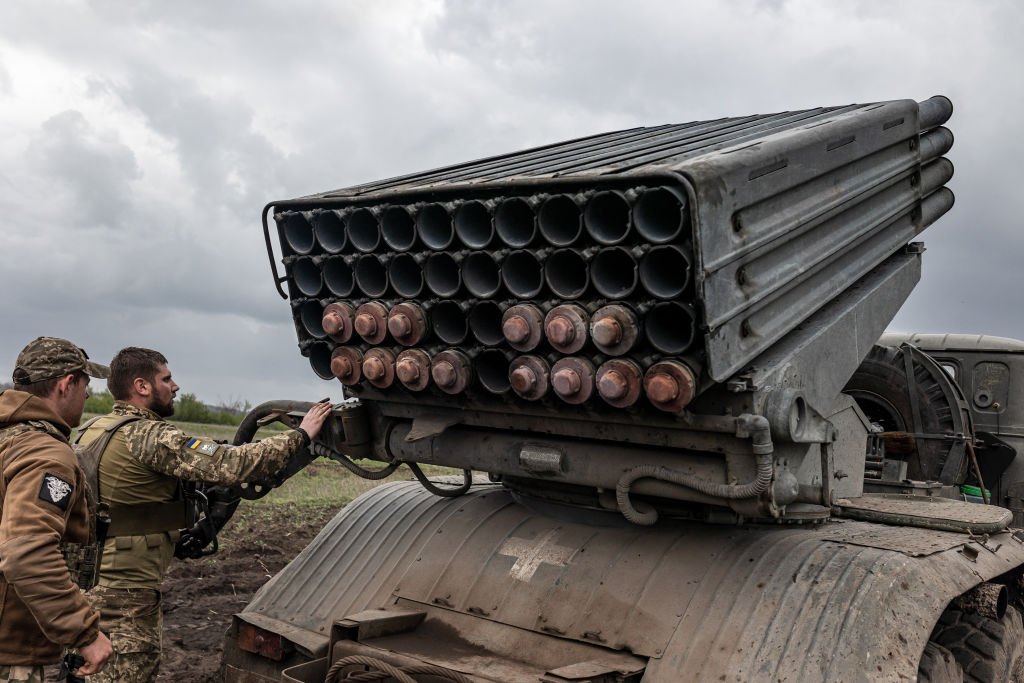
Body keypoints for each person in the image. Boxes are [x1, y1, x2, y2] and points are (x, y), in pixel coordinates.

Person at [78, 347, 332, 683]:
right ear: (141, 386)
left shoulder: (94, 426)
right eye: (166, 379)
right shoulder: (149, 435)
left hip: (88, 585)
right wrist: (301, 435)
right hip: (126, 593)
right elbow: (232, 462)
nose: (176, 386)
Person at [0, 337, 114, 683]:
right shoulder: (46, 454)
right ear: (66, 385)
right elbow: (26, 553)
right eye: (85, 385)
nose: (89, 396)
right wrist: (86, 634)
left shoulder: (9, 437)